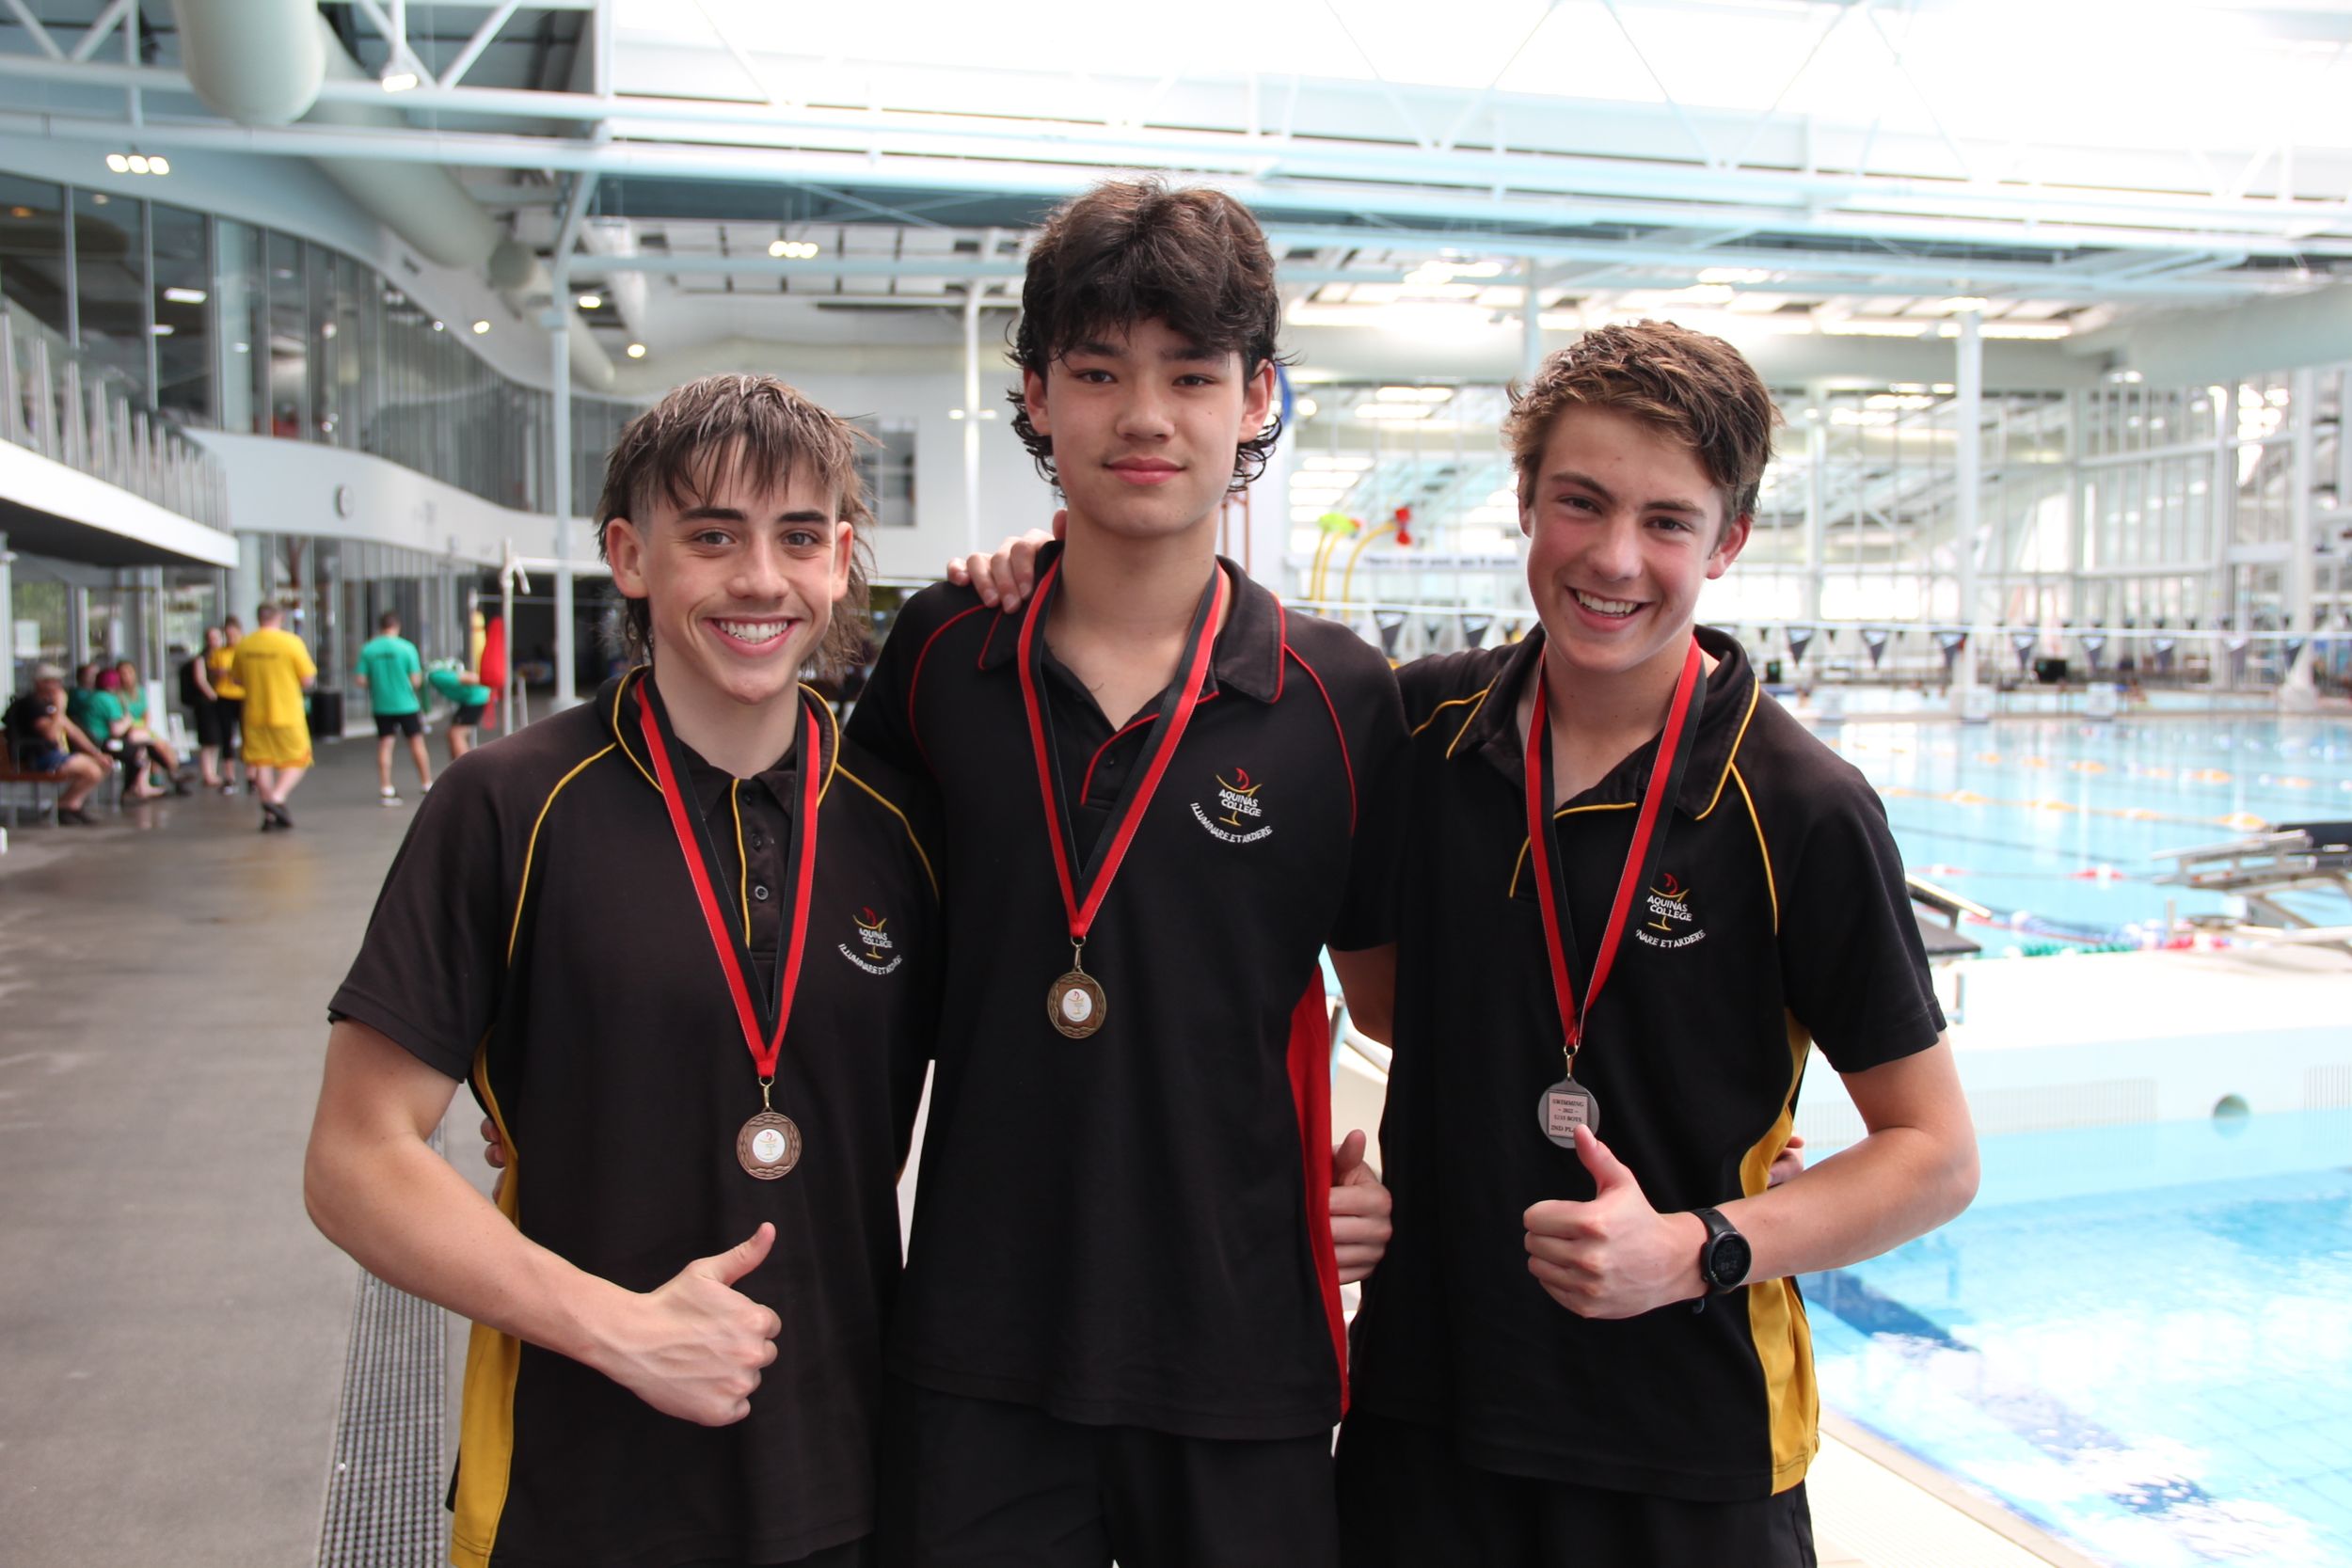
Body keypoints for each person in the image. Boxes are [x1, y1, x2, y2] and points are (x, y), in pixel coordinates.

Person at [1319, 323, 1979, 1566]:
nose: (1615, 557)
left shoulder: (1800, 806)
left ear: (1727, 541)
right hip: (1426, 1414)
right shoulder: (1419, 731)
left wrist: (1696, 1245)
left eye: (1668, 521)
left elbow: (1936, 1155)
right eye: (1581, 501)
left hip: (1686, 1441)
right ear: (1525, 499)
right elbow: (1391, 1005)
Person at [846, 180, 1405, 1568]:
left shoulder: (1341, 698)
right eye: (1098, 372)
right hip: (979, 1342)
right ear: (1036, 396)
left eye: (1191, 374)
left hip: (1243, 1348)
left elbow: (1408, 1007)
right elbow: (840, 964)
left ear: (1256, 396)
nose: (1144, 415)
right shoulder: (941, 654)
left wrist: (1395, 1173)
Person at [306, 372, 942, 1568]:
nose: (761, 578)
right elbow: (354, 1159)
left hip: (854, 1474)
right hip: (578, 1482)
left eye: (800, 537)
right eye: (712, 536)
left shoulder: (903, 825)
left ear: (841, 563)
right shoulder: (507, 804)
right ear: (629, 556)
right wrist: (619, 1328)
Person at [230, 602, 317, 830]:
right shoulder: (291, 643)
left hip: (254, 714)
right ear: (280, 618)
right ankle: (277, 798)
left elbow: (236, 679)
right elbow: (307, 679)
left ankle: (269, 815)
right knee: (300, 759)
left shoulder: (244, 644)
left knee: (262, 762)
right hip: (286, 713)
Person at [4, 663, 111, 824]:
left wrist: (96, 753)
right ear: (40, 683)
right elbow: (51, 735)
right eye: (53, 681)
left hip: (52, 755)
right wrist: (60, 709)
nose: (58, 686)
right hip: (35, 757)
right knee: (91, 770)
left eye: (58, 681)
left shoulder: (49, 706)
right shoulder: (31, 705)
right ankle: (65, 806)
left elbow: (73, 731)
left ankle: (68, 805)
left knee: (102, 764)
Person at [356, 610, 433, 803]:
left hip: (382, 705)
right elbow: (416, 680)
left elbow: (360, 680)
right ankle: (426, 783)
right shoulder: (407, 648)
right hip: (407, 704)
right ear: (397, 626)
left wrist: (379, 682)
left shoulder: (369, 649)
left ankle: (386, 787)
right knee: (416, 743)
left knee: (385, 744)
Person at [111, 657, 190, 796]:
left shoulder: (140, 692)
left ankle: (171, 773)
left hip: (141, 729)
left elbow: (146, 714)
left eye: (129, 672)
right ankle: (172, 774)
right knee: (154, 745)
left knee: (162, 744)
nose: (127, 676)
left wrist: (144, 726)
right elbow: (122, 718)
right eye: (123, 673)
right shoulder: (117, 695)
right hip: (128, 731)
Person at [181, 629, 228, 789]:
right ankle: (208, 773)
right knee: (208, 739)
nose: (215, 641)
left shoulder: (222, 656)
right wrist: (214, 696)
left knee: (216, 739)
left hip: (218, 701)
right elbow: (200, 680)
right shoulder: (201, 658)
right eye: (212, 638)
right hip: (206, 703)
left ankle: (212, 772)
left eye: (217, 638)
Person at [426, 660, 494, 761]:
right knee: (453, 733)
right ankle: (458, 763)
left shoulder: (437, 677)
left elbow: (473, 678)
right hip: (471, 699)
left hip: (475, 699)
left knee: (456, 734)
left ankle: (465, 764)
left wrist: (490, 682)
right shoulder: (435, 676)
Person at [209, 616, 246, 794]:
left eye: (233, 634)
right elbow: (214, 671)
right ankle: (229, 777)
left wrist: (231, 673)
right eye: (228, 635)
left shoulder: (245, 651)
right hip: (224, 696)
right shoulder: (220, 653)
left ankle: (252, 776)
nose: (231, 638)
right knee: (226, 737)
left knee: (248, 737)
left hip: (243, 696)